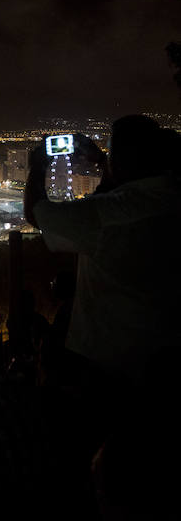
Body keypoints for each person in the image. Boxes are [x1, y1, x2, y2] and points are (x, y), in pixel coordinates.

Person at [24, 115, 181, 385]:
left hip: (110, 359)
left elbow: (36, 213)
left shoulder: (109, 216)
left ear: (122, 160)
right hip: (166, 350)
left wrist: (38, 167)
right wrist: (102, 161)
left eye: (113, 152)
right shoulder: (171, 196)